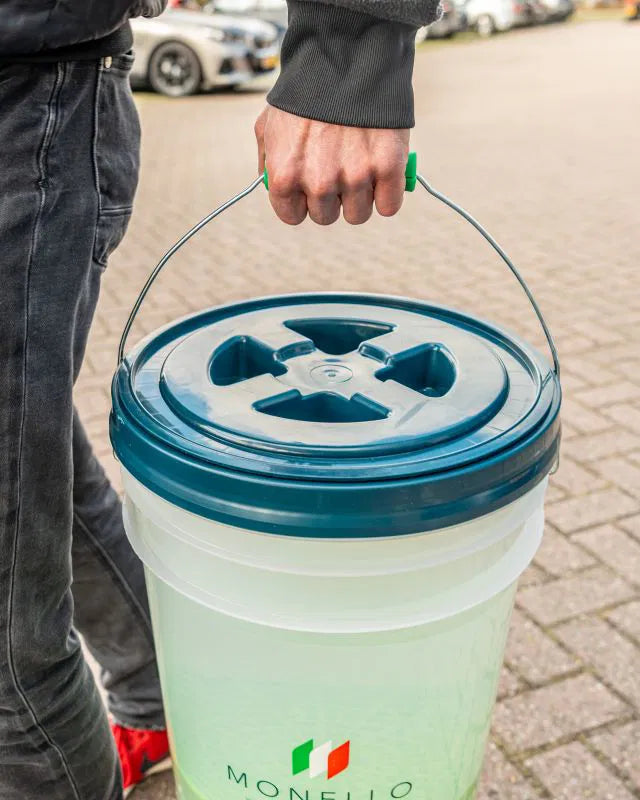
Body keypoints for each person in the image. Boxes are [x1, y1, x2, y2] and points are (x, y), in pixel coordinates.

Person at [0, 0, 440, 797]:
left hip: (27, 86)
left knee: (8, 659)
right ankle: (160, 696)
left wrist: (347, 55)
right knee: (27, 460)